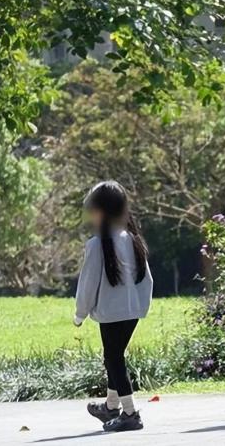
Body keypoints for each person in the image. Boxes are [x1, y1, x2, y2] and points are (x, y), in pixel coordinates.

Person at [74, 180, 153, 432]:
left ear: (100, 212)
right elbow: (146, 279)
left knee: (114, 358)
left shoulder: (96, 244)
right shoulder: (133, 239)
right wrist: (140, 308)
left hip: (110, 315)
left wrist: (80, 314)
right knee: (114, 357)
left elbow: (87, 284)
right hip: (132, 313)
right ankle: (110, 407)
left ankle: (130, 413)